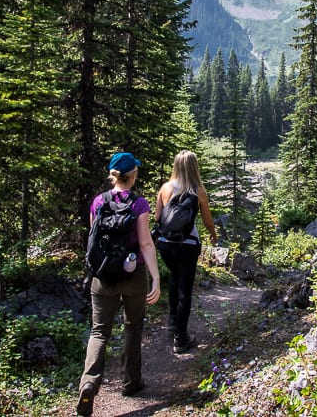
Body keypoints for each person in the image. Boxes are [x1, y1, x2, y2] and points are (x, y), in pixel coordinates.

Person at [77, 152, 160, 417]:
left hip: (103, 277)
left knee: (99, 331)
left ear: (114, 175)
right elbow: (145, 243)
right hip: (133, 275)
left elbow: (94, 240)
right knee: (133, 328)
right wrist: (156, 277)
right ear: (132, 175)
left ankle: (89, 382)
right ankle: (131, 382)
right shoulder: (139, 204)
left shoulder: (98, 202)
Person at [154, 150, 218, 354]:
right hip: (188, 244)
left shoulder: (165, 188)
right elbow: (207, 220)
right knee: (185, 287)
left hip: (165, 244)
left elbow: (157, 217)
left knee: (174, 277)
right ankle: (181, 337)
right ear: (194, 167)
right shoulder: (198, 190)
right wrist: (213, 234)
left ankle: (173, 322)